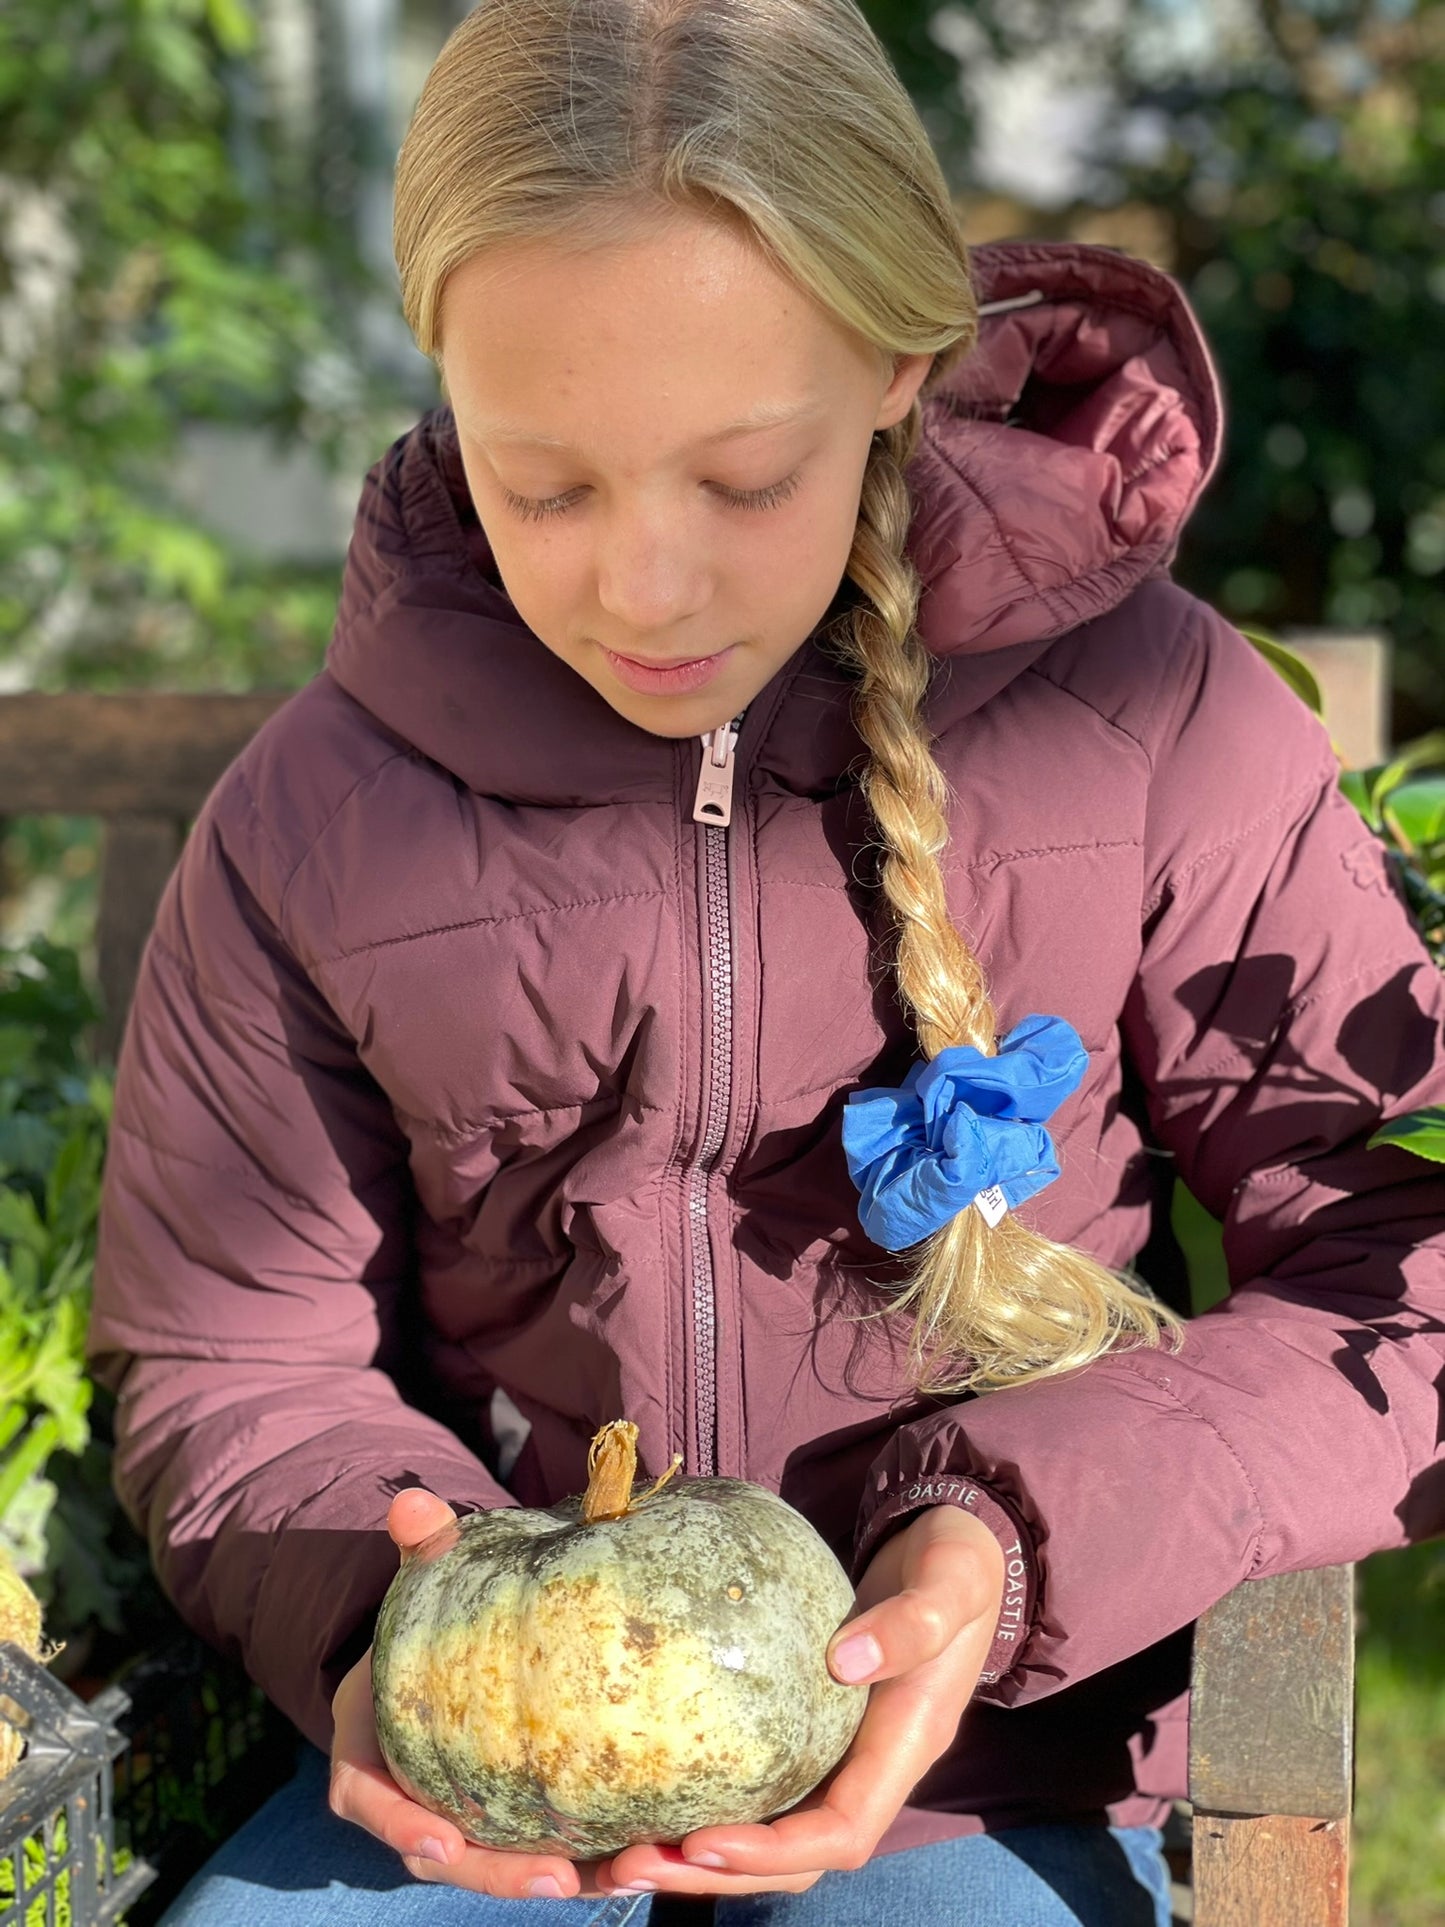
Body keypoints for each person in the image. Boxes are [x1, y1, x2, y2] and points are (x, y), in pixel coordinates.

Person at [87, 1, 1445, 1923]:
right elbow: (237, 1352)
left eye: (740, 480)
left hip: (996, 1768)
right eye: (543, 481)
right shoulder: (320, 823)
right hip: (509, 1767)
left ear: (899, 365)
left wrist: (1007, 1547)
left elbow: (1409, 1269)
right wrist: (392, 1617)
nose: (643, 585)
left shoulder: (1156, 726)